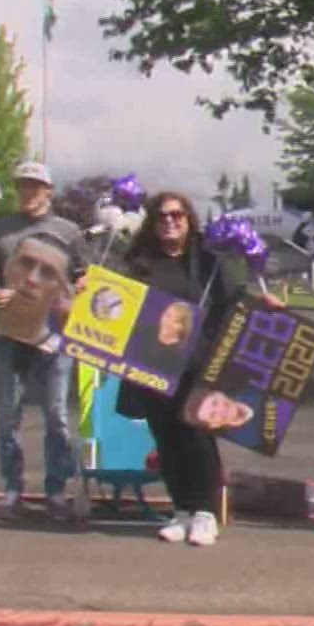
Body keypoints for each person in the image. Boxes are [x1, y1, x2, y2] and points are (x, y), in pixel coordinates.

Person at [111, 193, 258, 547]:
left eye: (177, 215)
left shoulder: (208, 262)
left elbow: (233, 304)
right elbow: (117, 302)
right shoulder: (139, 263)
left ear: (189, 219)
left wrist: (261, 303)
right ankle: (182, 510)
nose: (170, 222)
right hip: (151, 366)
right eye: (162, 217)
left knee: (197, 437)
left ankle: (206, 514)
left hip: (198, 366)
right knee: (167, 438)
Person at [0, 161, 89, 521]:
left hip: (54, 333)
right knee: (8, 413)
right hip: (10, 330)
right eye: (23, 186)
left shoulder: (69, 231)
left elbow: (83, 276)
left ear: (49, 190)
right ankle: (13, 490)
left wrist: (79, 294)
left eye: (35, 186)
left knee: (57, 413)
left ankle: (56, 491)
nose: (28, 192)